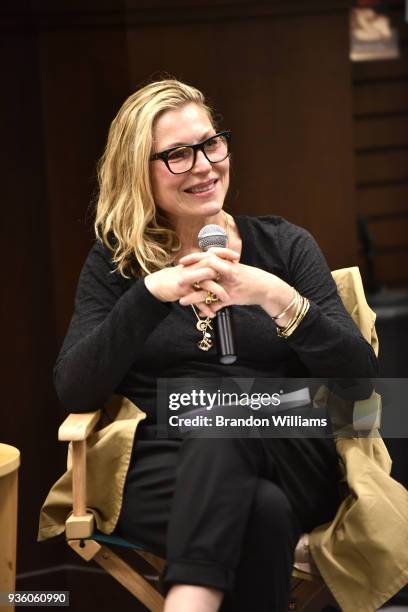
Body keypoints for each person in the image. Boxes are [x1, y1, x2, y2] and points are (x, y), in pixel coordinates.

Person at [54, 79, 377, 611]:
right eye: (177, 154)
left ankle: (189, 600)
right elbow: (75, 388)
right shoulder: (116, 266)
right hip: (164, 461)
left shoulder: (285, 247)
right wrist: (149, 294)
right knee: (262, 514)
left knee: (223, 419)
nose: (204, 165)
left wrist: (276, 298)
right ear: (138, 170)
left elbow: (359, 381)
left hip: (287, 445)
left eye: (211, 143)